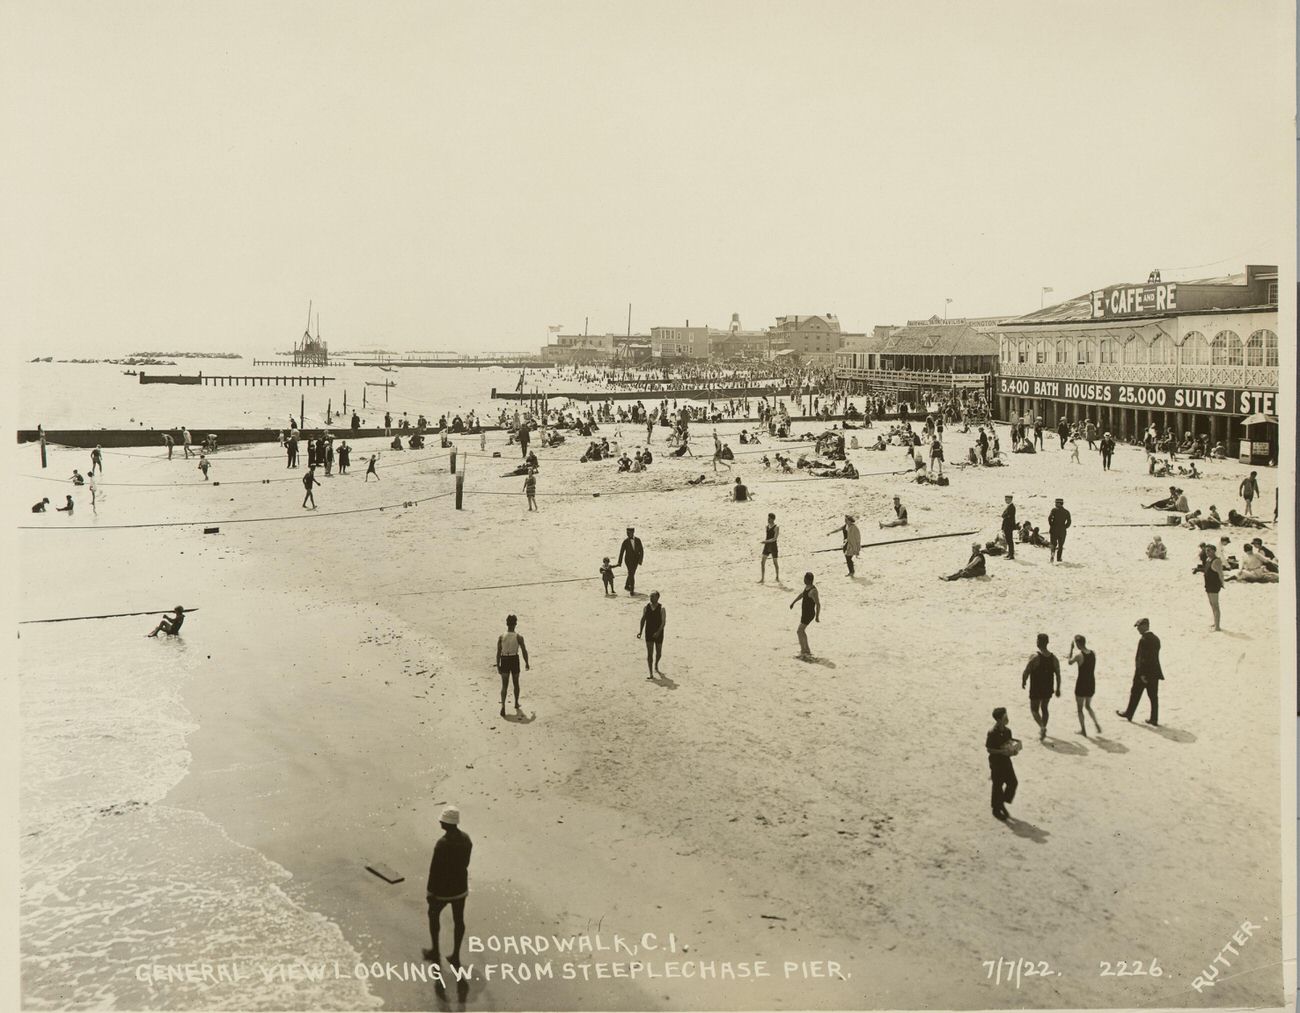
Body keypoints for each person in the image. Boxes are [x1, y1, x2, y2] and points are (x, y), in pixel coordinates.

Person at [423, 806, 472, 971]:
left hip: (443, 890)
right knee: (459, 920)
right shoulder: (466, 839)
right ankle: (455, 955)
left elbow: (434, 870)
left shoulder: (442, 844)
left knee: (433, 915)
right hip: (460, 888)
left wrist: (430, 891)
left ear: (445, 823)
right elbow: (466, 863)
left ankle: (435, 950)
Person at [1117, 618, 1162, 726]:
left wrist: (1142, 674)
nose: (1138, 629)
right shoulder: (1156, 639)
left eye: (1139, 626)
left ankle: (1129, 713)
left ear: (1145, 625)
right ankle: (1154, 719)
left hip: (1143, 673)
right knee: (1153, 696)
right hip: (1154, 673)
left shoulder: (1144, 640)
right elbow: (1153, 657)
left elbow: (1142, 659)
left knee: (1135, 693)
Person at [1021, 633, 1061, 740]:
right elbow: (1058, 674)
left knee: (1034, 709)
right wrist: (1058, 688)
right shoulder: (1054, 658)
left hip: (1036, 688)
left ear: (1038, 642)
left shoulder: (1035, 657)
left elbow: (1026, 671)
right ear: (1047, 643)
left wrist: (1023, 681)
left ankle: (1042, 727)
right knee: (1045, 708)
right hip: (1048, 688)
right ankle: (1043, 729)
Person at [986, 707, 1020, 821]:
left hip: (1006, 761)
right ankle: (996, 809)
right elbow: (989, 749)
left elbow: (1009, 744)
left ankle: (1000, 802)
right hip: (996, 763)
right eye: (1005, 718)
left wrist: (1014, 751)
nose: (1007, 719)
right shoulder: (992, 733)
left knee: (1013, 782)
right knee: (997, 785)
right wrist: (1002, 752)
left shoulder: (1008, 731)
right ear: (998, 720)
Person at [494, 614, 531, 715]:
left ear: (507, 623)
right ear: (516, 623)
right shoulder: (519, 637)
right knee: (516, 683)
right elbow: (524, 651)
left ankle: (503, 706)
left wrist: (498, 665)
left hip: (504, 659)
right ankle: (516, 703)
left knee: (504, 685)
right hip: (514, 659)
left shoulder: (501, 636)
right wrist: (527, 663)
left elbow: (498, 652)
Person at [1068, 635, 1101, 736]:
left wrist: (1071, 649)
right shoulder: (1093, 653)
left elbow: (1070, 662)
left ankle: (1083, 730)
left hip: (1081, 683)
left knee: (1080, 709)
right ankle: (1096, 724)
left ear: (1078, 644)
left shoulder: (1079, 655)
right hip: (1091, 682)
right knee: (1088, 706)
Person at [789, 572, 820, 659]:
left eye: (804, 579)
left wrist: (817, 616)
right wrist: (793, 602)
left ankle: (804, 651)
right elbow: (802, 595)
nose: (803, 580)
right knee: (802, 631)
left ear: (808, 580)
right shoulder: (807, 587)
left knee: (799, 631)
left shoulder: (813, 591)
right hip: (805, 613)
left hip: (809, 614)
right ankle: (806, 650)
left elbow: (818, 604)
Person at [637, 591, 667, 679]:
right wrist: (640, 631)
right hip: (649, 632)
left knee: (659, 653)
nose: (650, 598)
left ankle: (656, 664)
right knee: (649, 654)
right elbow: (643, 620)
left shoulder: (662, 608)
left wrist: (658, 632)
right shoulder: (646, 607)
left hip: (659, 633)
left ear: (657, 597)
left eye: (652, 596)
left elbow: (663, 623)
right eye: (650, 596)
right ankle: (650, 673)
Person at [1202, 543, 1224, 630]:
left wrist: (1222, 583)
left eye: (1209, 550)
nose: (1207, 552)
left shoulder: (1216, 561)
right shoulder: (1208, 559)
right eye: (1206, 550)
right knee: (1212, 604)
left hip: (1214, 584)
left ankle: (1217, 627)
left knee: (1215, 605)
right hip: (1208, 584)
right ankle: (1215, 623)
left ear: (1214, 551)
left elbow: (1220, 574)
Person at [616, 527, 644, 595]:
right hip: (628, 560)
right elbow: (621, 552)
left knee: (632, 573)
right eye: (627, 533)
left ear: (633, 532)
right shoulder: (625, 541)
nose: (628, 534)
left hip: (636, 560)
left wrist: (640, 560)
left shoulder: (638, 540)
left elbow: (642, 551)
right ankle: (632, 589)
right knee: (631, 574)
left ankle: (626, 585)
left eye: (629, 533)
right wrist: (619, 562)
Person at [1047, 498, 1071, 563]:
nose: (1055, 504)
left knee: (1053, 544)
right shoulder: (1066, 512)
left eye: (1056, 503)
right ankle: (1059, 558)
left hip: (1054, 530)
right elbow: (1069, 522)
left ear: (1059, 503)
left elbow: (1049, 518)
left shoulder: (1054, 510)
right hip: (1062, 531)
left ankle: (1052, 555)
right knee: (1060, 545)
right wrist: (1065, 527)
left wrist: (1052, 525)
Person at [760, 513, 780, 583]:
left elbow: (775, 539)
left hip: (773, 547)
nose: (768, 519)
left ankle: (777, 577)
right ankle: (762, 579)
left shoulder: (776, 527)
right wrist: (766, 542)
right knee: (762, 562)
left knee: (775, 563)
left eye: (769, 518)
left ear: (773, 519)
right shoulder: (767, 526)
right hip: (767, 546)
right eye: (768, 518)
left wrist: (765, 541)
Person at [1000, 495, 1017, 560]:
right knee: (1008, 540)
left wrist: (1004, 515)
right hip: (1007, 526)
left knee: (1010, 541)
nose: (1006, 500)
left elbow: (1006, 516)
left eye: (1007, 499)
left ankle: (1011, 555)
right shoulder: (1009, 506)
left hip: (1009, 526)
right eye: (1005, 499)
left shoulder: (1012, 507)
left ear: (1010, 499)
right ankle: (1009, 554)